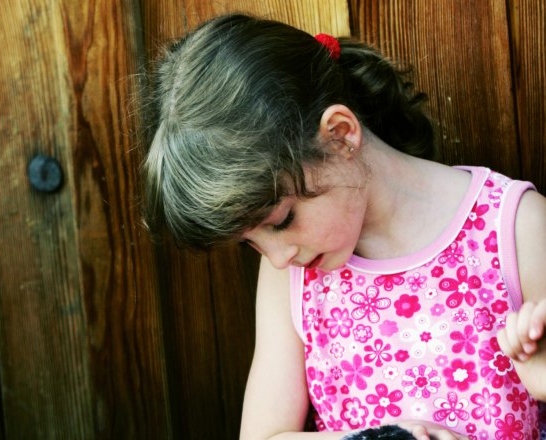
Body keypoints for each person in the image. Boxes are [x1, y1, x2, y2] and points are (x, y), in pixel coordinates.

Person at [141, 14, 546, 440]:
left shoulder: (515, 228)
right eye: (251, 243)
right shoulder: (293, 275)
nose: (278, 258)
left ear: (339, 135)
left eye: (282, 221)